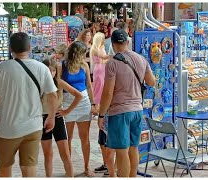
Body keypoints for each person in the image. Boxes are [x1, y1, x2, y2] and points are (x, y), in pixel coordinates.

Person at [0, 32, 58, 177]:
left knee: (5, 167)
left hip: (8, 129)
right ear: (30, 47)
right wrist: (51, 117)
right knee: (29, 168)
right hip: (33, 128)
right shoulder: (42, 68)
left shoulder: (2, 68)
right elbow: (53, 95)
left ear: (10, 48)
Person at [97, 30, 155, 177]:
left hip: (120, 112)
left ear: (114, 44)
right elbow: (151, 81)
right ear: (127, 43)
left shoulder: (113, 63)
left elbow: (108, 93)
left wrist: (101, 114)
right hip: (137, 110)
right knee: (133, 148)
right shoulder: (141, 59)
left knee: (121, 151)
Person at [57, 41, 96, 177]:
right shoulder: (62, 65)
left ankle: (86, 166)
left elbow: (89, 86)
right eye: (83, 53)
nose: (84, 56)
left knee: (84, 138)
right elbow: (59, 86)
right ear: (77, 53)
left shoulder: (84, 65)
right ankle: (69, 168)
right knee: (67, 137)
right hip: (68, 102)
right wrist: (59, 104)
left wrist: (93, 103)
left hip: (84, 102)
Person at [40, 59, 82, 177]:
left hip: (57, 118)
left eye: (53, 71)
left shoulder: (59, 83)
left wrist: (67, 111)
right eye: (48, 70)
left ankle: (70, 176)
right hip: (43, 118)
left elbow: (78, 95)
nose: (51, 73)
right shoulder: (39, 84)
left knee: (65, 153)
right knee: (47, 154)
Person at [90, 32, 110, 175]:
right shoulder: (95, 48)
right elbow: (103, 58)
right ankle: (97, 103)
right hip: (99, 70)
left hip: (103, 69)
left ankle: (108, 165)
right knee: (99, 87)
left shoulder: (101, 46)